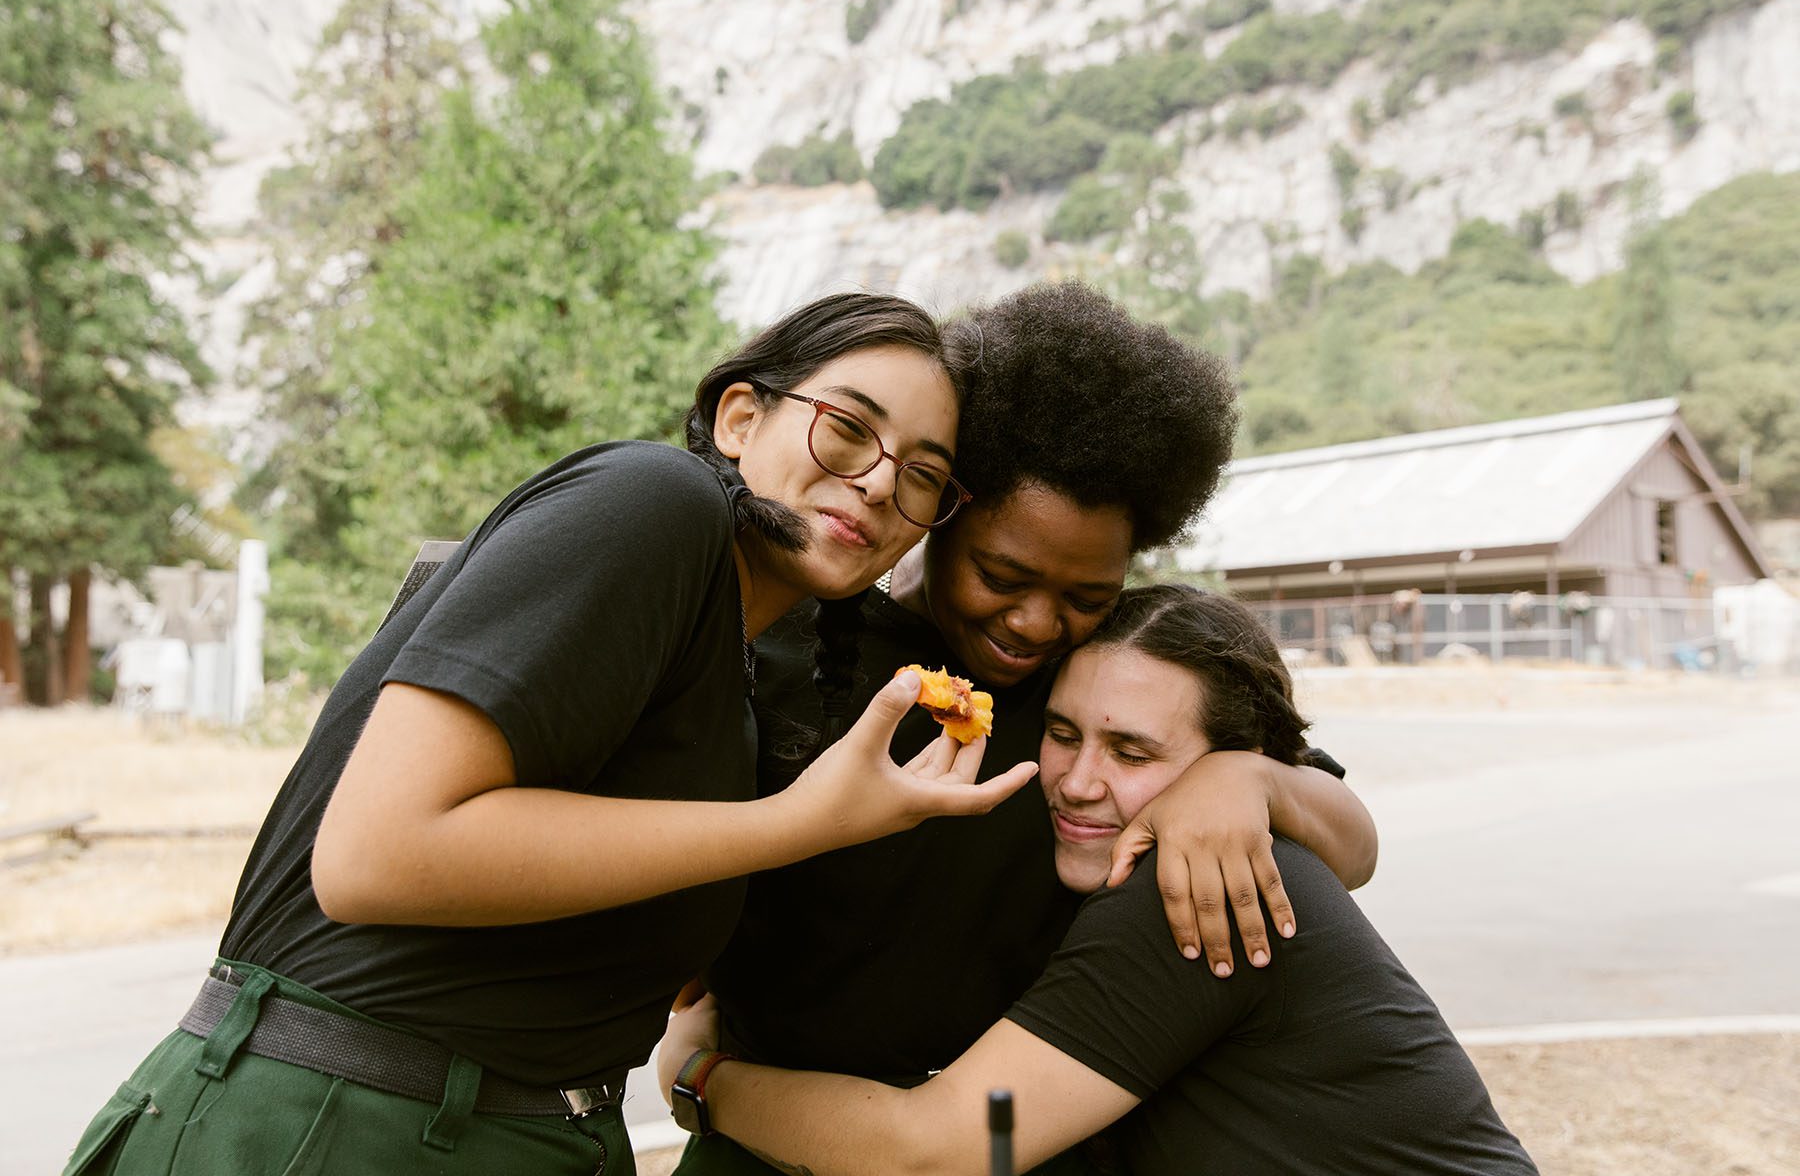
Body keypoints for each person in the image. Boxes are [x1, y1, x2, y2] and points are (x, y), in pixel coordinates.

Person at [61, 293, 1040, 1176]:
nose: (877, 484)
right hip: (345, 1123)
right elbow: (376, 854)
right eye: (848, 430)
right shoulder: (658, 502)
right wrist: (806, 822)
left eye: (922, 476)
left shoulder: (726, 691)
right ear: (740, 418)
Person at [679, 283, 1380, 1176]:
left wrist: (1249, 780)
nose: (1037, 624)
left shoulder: (1106, 691)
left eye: (1086, 596)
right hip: (775, 1140)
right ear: (939, 507)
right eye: (1001, 575)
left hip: (1000, 1143)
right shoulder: (790, 639)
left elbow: (1351, 849)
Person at [659, 583, 1539, 1175]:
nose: (1077, 781)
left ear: (1230, 762)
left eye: (1133, 751)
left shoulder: (1191, 889)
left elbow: (932, 1153)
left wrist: (700, 1079)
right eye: (1065, 732)